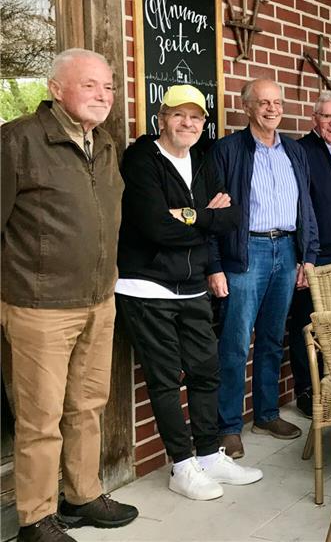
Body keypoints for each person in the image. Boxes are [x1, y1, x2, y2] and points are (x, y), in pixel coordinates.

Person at [1, 48, 138, 541]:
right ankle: (36, 519)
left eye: (108, 86)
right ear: (56, 89)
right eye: (89, 84)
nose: (103, 95)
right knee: (40, 418)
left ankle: (81, 495)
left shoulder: (104, 143)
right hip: (38, 305)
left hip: (99, 300)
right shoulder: (17, 141)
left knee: (87, 405)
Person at [115, 85, 262, 501]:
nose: (188, 123)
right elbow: (153, 227)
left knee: (204, 371)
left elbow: (232, 216)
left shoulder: (202, 159)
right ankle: (182, 466)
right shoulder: (142, 160)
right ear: (162, 118)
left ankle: (209, 455)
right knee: (164, 379)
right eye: (179, 115)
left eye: (196, 117)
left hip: (192, 285)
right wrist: (205, 218)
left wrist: (188, 217)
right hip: (146, 285)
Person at [208, 78, 319, 460]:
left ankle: (267, 415)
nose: (272, 109)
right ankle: (228, 426)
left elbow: (306, 206)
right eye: (263, 102)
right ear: (247, 108)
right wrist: (215, 264)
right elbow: (212, 213)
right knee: (236, 342)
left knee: (273, 338)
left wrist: (308, 255)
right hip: (246, 251)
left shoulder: (294, 151)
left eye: (277, 102)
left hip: (286, 249)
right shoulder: (227, 150)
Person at [288, 90, 331, 417]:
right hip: (316, 256)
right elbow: (301, 208)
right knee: (308, 325)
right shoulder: (303, 151)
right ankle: (308, 390)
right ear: (314, 118)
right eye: (327, 116)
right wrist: (306, 255)